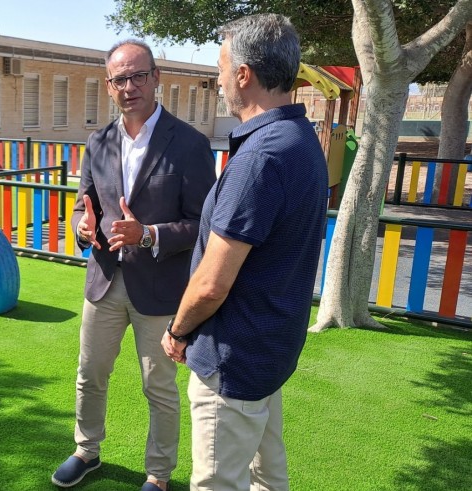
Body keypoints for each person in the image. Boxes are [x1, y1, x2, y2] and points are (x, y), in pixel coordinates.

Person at [162, 14, 328, 491]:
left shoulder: (261, 157)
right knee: (269, 478)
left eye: (220, 67)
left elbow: (212, 283)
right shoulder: (299, 141)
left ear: (243, 74)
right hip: (269, 352)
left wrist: (177, 331)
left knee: (217, 483)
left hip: (233, 362)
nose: (217, 80)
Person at [52, 39, 216, 491]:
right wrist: (82, 225)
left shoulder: (189, 144)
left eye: (138, 75)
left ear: (156, 77)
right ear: (109, 86)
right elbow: (82, 205)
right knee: (90, 375)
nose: (130, 86)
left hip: (160, 288)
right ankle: (87, 449)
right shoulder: (98, 142)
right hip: (104, 280)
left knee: (158, 388)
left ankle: (158, 475)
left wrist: (148, 234)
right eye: (120, 79)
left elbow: (203, 224)